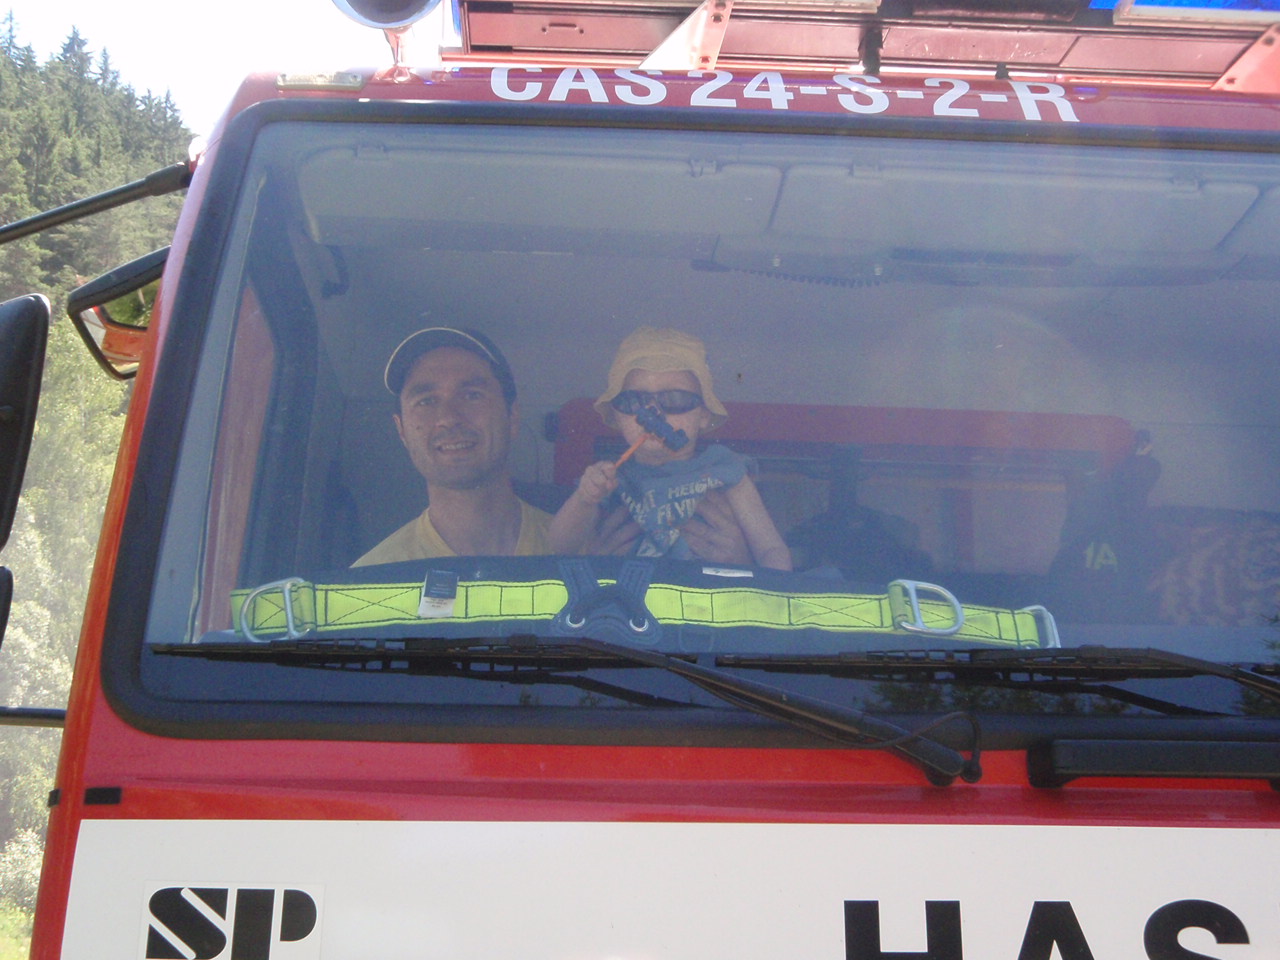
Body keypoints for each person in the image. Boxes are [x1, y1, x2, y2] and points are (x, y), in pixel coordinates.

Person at [549, 327, 792, 570]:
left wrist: (771, 586)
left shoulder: (723, 468)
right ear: (617, 415)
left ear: (703, 415)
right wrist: (585, 498)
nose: (653, 413)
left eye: (674, 399)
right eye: (635, 402)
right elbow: (558, 548)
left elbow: (770, 549)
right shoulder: (610, 480)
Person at [352, 326, 551, 566]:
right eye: (426, 401)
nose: (448, 418)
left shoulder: (580, 551)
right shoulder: (373, 575)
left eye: (472, 395)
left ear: (513, 417)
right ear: (401, 429)